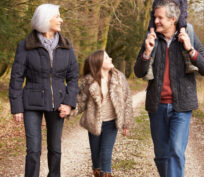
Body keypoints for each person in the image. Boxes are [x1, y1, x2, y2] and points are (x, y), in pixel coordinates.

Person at [134, 1, 204, 177]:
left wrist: (190, 50)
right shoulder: (151, 38)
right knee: (161, 156)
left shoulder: (189, 35)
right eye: (155, 17)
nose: (156, 21)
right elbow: (138, 72)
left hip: (181, 106)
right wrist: (146, 53)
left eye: (160, 18)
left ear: (173, 19)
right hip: (157, 105)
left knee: (176, 151)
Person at [8, 3, 79, 177]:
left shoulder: (66, 46)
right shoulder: (25, 45)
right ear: (45, 20)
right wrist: (16, 107)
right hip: (31, 103)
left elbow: (73, 78)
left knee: (55, 149)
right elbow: (17, 77)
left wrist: (69, 103)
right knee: (33, 150)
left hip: (58, 103)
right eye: (57, 16)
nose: (61, 20)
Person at [68, 50, 134, 177]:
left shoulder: (119, 78)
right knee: (96, 155)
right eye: (106, 58)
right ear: (99, 63)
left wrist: (126, 123)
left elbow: (127, 101)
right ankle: (97, 172)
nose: (110, 59)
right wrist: (69, 111)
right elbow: (81, 101)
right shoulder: (89, 81)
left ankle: (106, 174)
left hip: (111, 123)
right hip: (94, 123)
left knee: (106, 153)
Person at [147, 0, 198, 74]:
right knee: (150, 35)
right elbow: (153, 15)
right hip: (160, 24)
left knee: (189, 27)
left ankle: (189, 61)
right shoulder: (157, 2)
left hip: (177, 23)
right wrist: (151, 31)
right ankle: (149, 63)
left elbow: (183, 13)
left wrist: (182, 30)